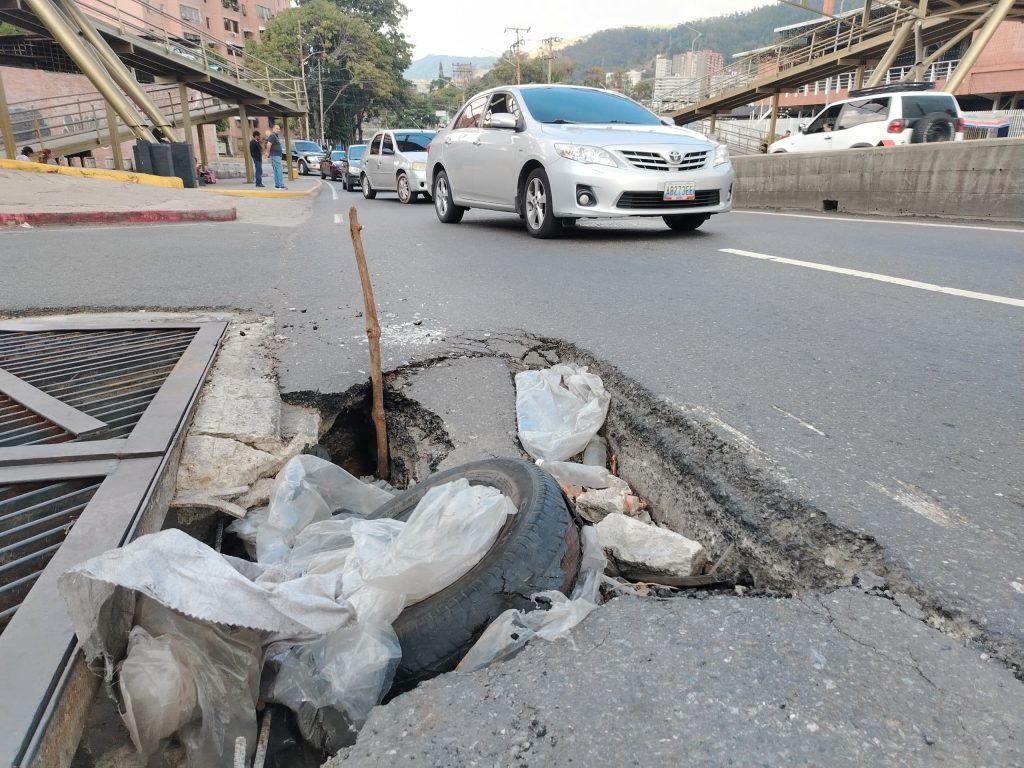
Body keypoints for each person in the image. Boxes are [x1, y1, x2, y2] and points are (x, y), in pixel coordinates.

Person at [265, 124, 286, 189]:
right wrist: (267, 152)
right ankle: (281, 184)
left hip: (276, 155)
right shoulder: (272, 136)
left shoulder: (275, 136)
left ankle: (277, 184)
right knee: (279, 169)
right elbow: (268, 144)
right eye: (277, 128)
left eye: (279, 129)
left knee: (276, 170)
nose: (278, 130)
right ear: (273, 129)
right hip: (275, 155)